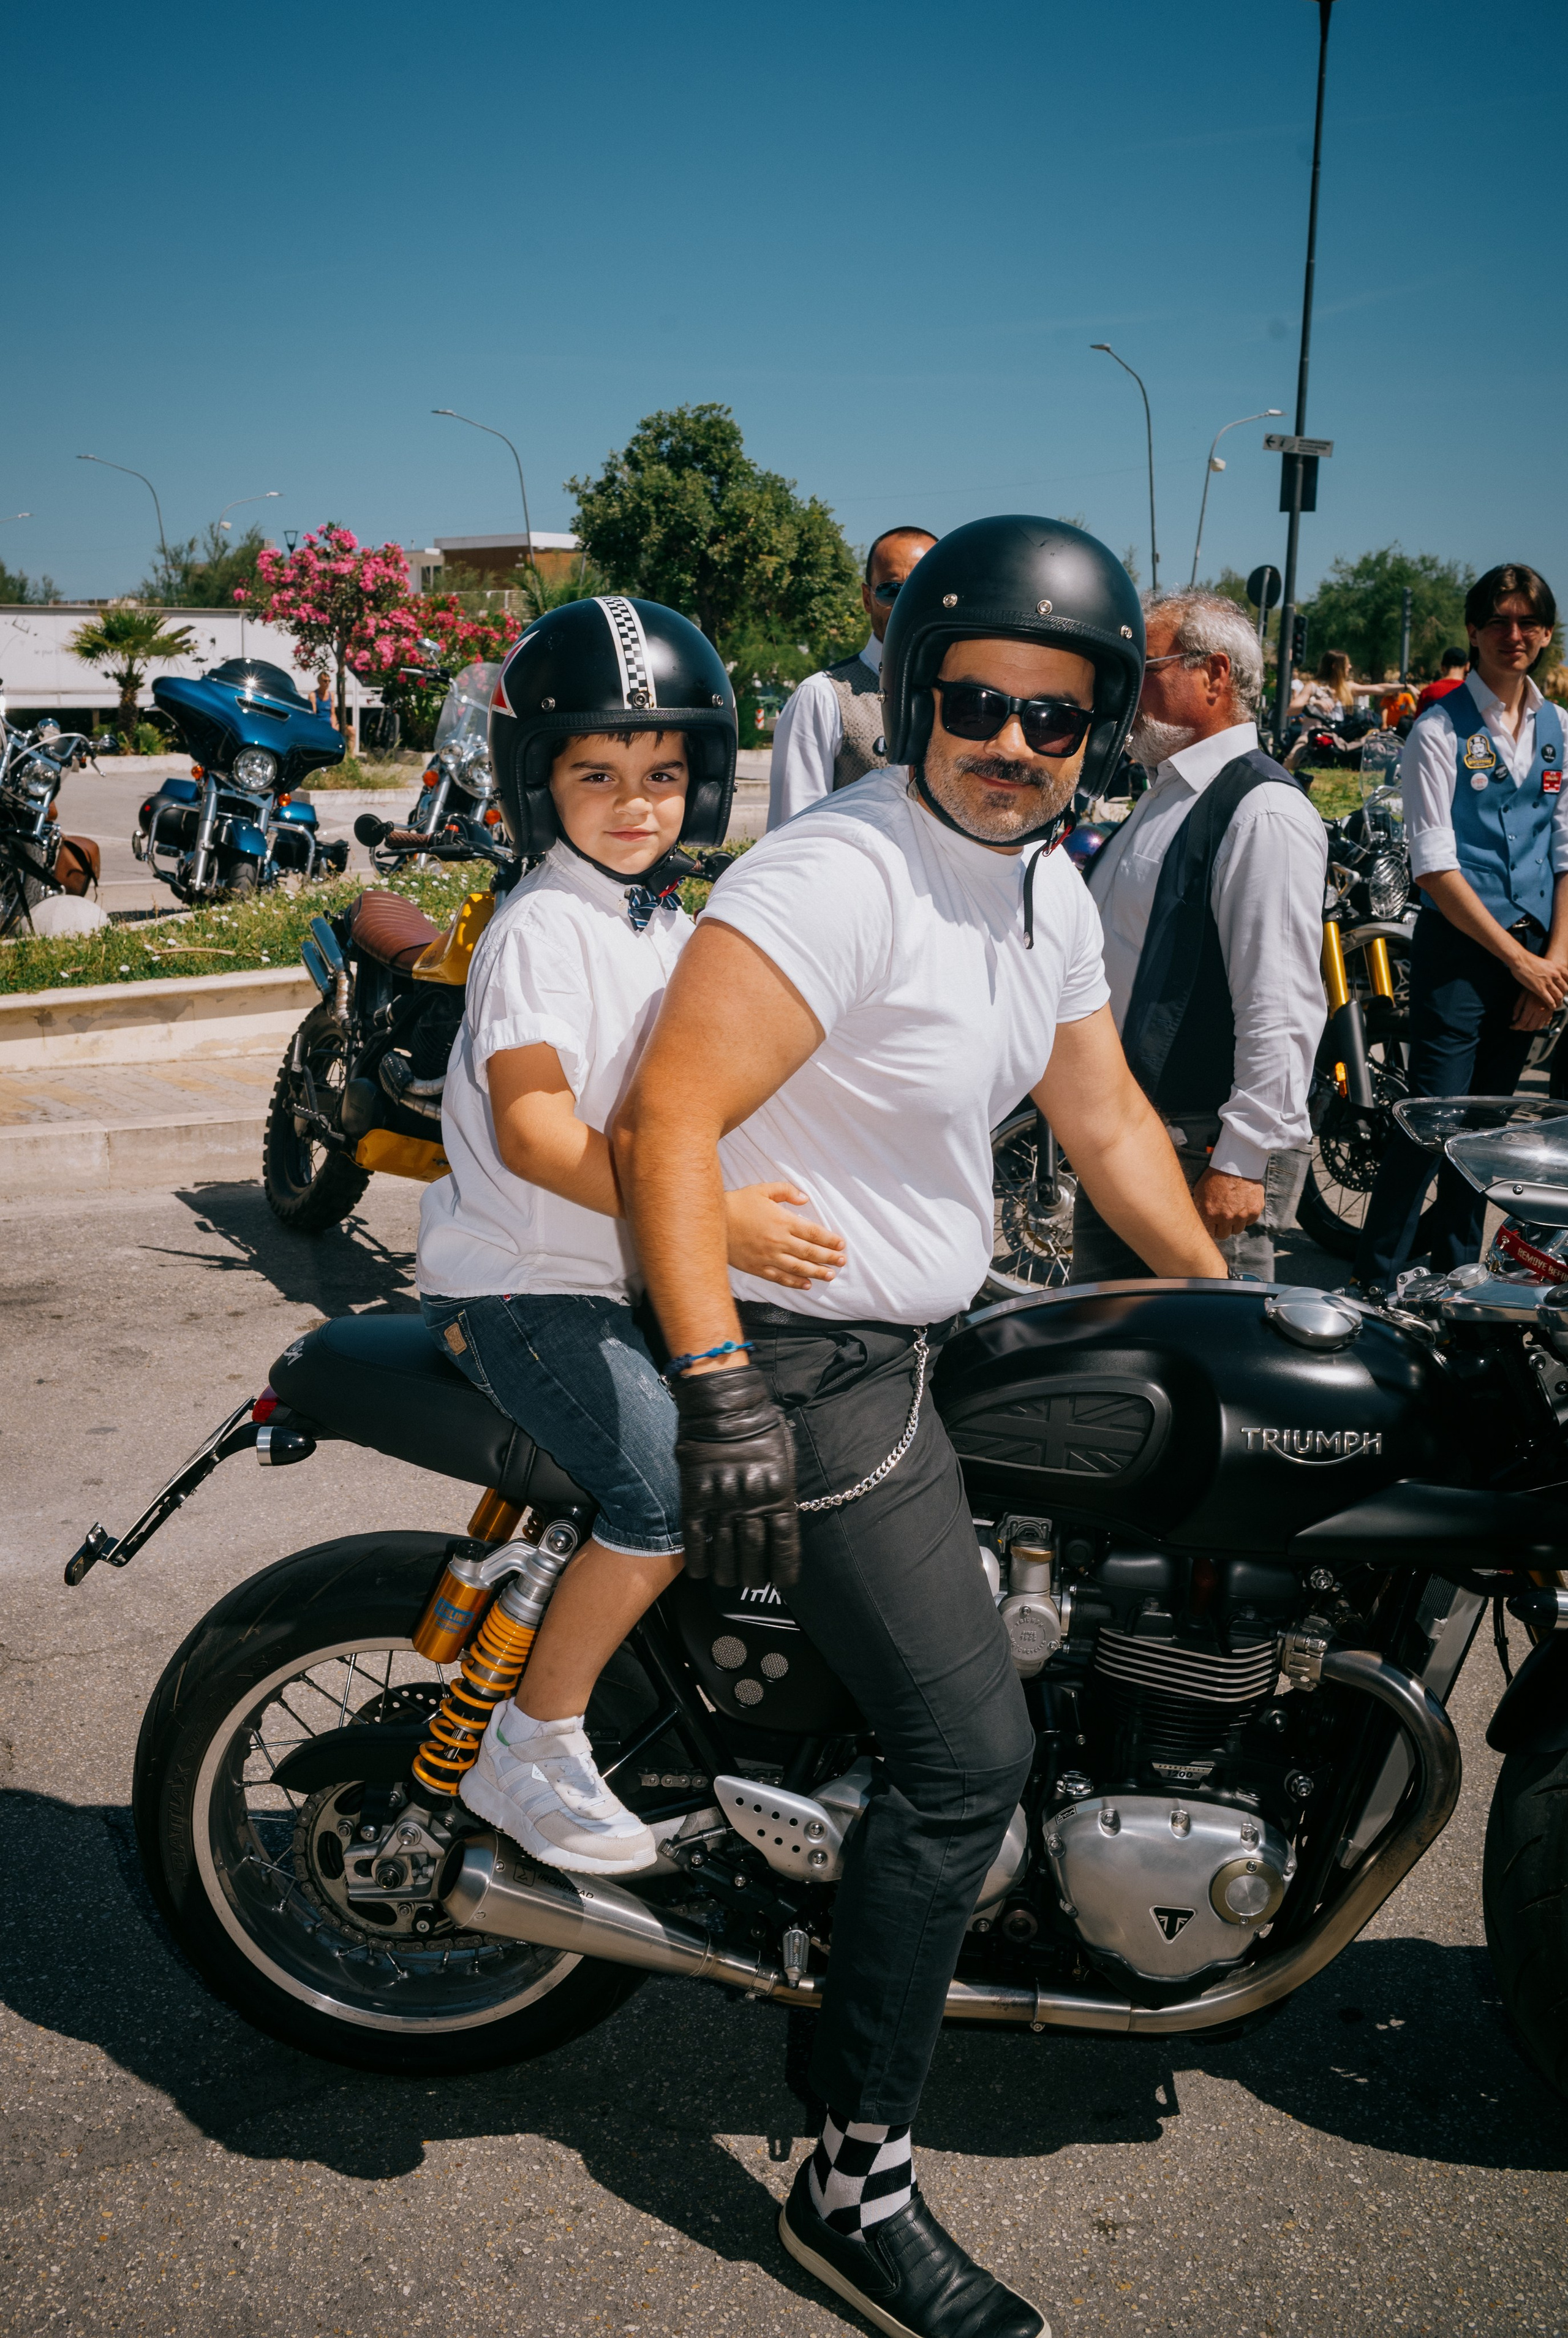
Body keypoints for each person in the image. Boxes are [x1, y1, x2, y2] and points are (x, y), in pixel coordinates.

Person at [613, 518, 1226, 2338]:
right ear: (913, 692)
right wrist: (722, 1391)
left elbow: (1103, 1119)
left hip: (921, 1327)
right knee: (969, 1756)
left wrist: (1229, 1300)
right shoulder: (836, 877)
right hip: (805, 1355)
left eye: (1059, 718)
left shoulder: (1038, 888)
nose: (1014, 746)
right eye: (977, 704)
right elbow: (667, 1127)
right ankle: (848, 2177)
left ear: (1103, 727)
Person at [416, 594, 846, 1877]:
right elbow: (543, 1136)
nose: (635, 801)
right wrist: (720, 1223)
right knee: (664, 1494)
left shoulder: (655, 923)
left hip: (613, 1282)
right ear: (537, 786)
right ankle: (534, 1742)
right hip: (523, 1290)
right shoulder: (544, 928)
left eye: (663, 774)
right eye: (595, 773)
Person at [1070, 589, 1328, 1281]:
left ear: (1214, 676)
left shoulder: (1260, 810)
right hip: (1137, 1137)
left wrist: (1240, 1163)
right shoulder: (1167, 792)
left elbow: (1280, 1005)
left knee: (1209, 1362)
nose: (1124, 692)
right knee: (1113, 1359)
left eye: (1144, 668)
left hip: (1202, 1151)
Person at [1357, 563, 1567, 1290]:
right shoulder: (1439, 728)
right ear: (1474, 633)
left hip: (1535, 957)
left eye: (1528, 623)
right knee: (1431, 1122)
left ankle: (1455, 1272)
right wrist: (1522, 963)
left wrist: (1553, 967)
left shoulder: (1559, 728)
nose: (1514, 635)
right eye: (1499, 622)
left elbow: (1566, 853)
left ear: (1544, 634)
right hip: (1464, 949)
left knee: (1490, 1135)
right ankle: (1377, 1275)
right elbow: (1433, 867)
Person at [766, 524, 936, 827]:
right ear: (867, 598)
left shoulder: (968, 694)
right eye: (891, 589)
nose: (908, 603)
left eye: (924, 589)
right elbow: (795, 832)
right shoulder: (821, 697)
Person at [1415, 645, 1469, 716]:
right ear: (1467, 666)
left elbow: (1418, 723)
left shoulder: (1428, 692)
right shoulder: (1471, 692)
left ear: (1442, 667)